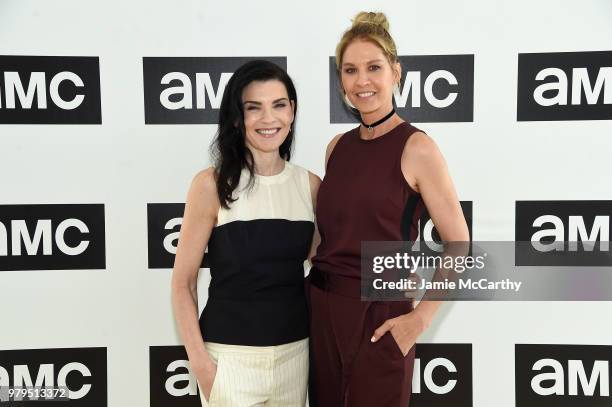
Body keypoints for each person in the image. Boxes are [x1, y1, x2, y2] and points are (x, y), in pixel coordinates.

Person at [308, 11, 470, 407]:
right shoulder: (336, 148)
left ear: (396, 72)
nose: (361, 80)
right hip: (323, 308)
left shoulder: (418, 148)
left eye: (373, 67)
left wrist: (421, 318)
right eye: (350, 70)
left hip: (381, 315)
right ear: (340, 80)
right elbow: (329, 235)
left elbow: (459, 242)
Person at [171, 60, 320, 407]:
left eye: (279, 105)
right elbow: (183, 283)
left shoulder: (310, 186)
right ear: (237, 118)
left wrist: (393, 276)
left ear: (292, 111)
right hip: (228, 360)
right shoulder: (210, 185)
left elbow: (331, 268)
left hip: (295, 357)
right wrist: (202, 365)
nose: (269, 119)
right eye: (255, 108)